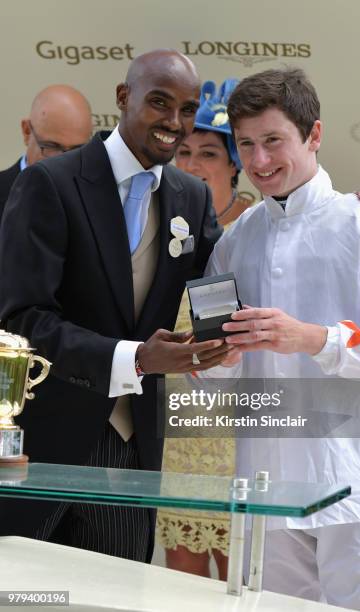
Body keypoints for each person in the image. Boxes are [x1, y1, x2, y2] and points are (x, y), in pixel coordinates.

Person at [0, 49, 233, 563]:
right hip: (42, 444)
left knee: (115, 597)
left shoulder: (190, 199)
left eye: (188, 109)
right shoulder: (49, 183)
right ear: (123, 98)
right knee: (25, 596)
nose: (175, 123)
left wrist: (329, 210)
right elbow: (22, 321)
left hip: (133, 449)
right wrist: (136, 359)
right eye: (159, 102)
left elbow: (218, 284)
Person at [196, 67, 360, 611]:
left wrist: (314, 338)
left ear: (313, 135)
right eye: (246, 145)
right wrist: (217, 356)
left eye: (273, 141)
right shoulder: (234, 242)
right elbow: (217, 375)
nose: (259, 162)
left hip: (353, 493)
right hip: (263, 494)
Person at [156, 79, 251, 580]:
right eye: (184, 151)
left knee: (248, 575)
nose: (193, 163)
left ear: (235, 162)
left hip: (244, 434)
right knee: (181, 580)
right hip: (179, 434)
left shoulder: (260, 230)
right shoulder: (161, 228)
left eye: (209, 152)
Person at [0, 84, 93, 219]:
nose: (64, 162)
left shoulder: (99, 200)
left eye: (77, 150)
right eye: (52, 146)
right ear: (27, 131)